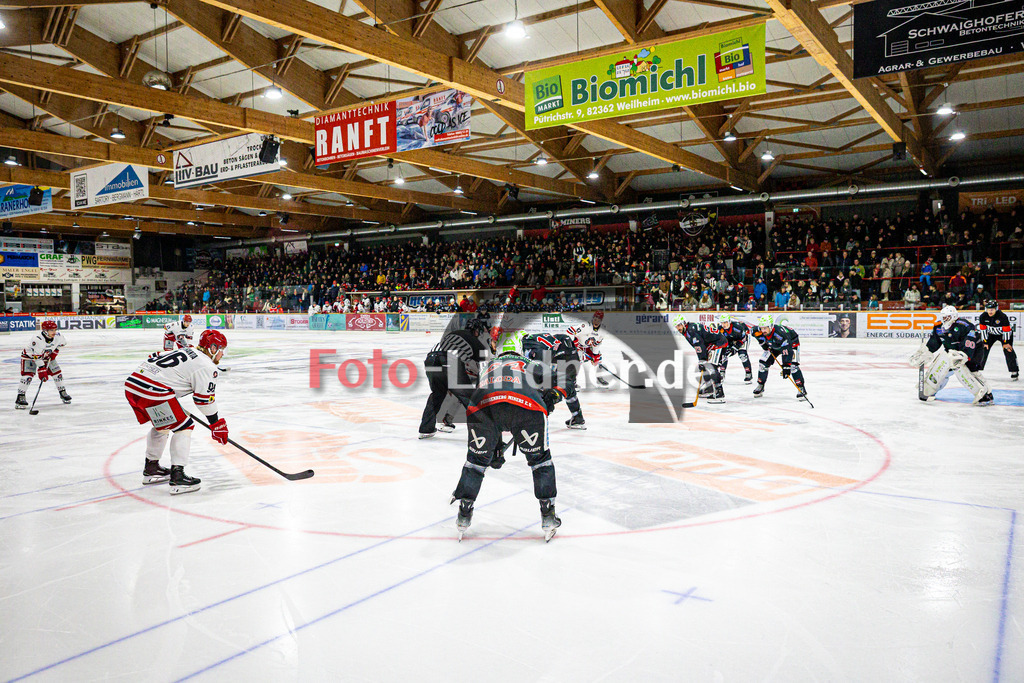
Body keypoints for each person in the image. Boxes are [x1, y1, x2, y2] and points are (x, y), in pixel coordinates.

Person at [449, 335, 567, 541]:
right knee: (540, 461)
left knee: (476, 462)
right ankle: (548, 515)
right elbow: (562, 380)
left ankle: (464, 513)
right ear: (518, 354)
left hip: (482, 408)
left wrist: (494, 449)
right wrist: (552, 397)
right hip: (526, 407)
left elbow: (477, 393)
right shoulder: (530, 363)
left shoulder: (487, 366)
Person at [124, 330, 230, 494]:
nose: (223, 354)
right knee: (184, 426)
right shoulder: (207, 366)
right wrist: (216, 423)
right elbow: (203, 400)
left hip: (134, 385)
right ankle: (178, 476)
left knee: (163, 425)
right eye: (222, 349)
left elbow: (155, 355)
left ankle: (152, 468)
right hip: (152, 391)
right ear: (213, 348)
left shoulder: (187, 350)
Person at [418, 318, 490, 438]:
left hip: (430, 359)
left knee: (437, 394)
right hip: (449, 361)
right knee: (469, 397)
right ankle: (484, 429)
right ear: (476, 331)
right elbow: (484, 365)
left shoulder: (454, 333)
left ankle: (426, 429)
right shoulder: (475, 341)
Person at [910, 305, 993, 404]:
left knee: (969, 371)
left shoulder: (964, 325)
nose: (944, 319)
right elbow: (934, 342)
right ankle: (928, 389)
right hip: (952, 352)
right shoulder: (938, 327)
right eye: (943, 317)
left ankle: (984, 393)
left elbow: (971, 340)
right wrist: (926, 352)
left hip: (973, 352)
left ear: (953, 316)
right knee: (942, 364)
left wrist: (964, 354)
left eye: (947, 317)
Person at [751, 314, 808, 401]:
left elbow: (787, 350)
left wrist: (786, 366)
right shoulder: (758, 330)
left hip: (791, 344)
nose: (763, 330)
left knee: (793, 366)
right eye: (761, 328)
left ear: (771, 326)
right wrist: (763, 344)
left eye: (765, 328)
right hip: (774, 345)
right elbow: (755, 334)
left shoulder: (780, 334)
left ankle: (801, 388)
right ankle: (760, 385)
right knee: (763, 363)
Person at [17, 320, 71, 408]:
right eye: (51, 330)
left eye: (54, 330)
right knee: (28, 376)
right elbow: (36, 356)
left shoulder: (58, 336)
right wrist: (42, 369)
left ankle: (62, 392)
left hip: (46, 356)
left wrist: (55, 352)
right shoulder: (37, 340)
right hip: (30, 357)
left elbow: (62, 344)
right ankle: (20, 396)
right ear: (45, 331)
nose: (54, 332)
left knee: (57, 374)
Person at [674, 316, 727, 403]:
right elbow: (698, 346)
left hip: (719, 343)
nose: (678, 328)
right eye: (676, 326)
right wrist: (702, 361)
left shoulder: (691, 330)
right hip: (711, 343)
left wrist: (702, 360)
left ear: (684, 323)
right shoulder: (687, 330)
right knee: (704, 366)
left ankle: (719, 393)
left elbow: (699, 345)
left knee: (712, 367)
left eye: (679, 325)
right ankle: (709, 388)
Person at [978, 300, 1018, 381]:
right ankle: (977, 369)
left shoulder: (1002, 316)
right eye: (988, 309)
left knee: (1008, 350)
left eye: (992, 309)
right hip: (990, 335)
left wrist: (1006, 343)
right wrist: (985, 342)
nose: (990, 311)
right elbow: (983, 330)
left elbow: (1006, 330)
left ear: (996, 309)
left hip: (1003, 334)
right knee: (982, 349)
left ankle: (1014, 371)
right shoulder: (983, 316)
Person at [718, 313, 753, 383]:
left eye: (725, 322)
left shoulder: (737, 327)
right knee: (724, 355)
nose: (724, 325)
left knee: (742, 355)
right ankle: (722, 373)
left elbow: (744, 337)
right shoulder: (720, 329)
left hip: (742, 339)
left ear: (729, 322)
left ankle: (748, 373)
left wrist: (736, 347)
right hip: (730, 340)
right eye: (722, 323)